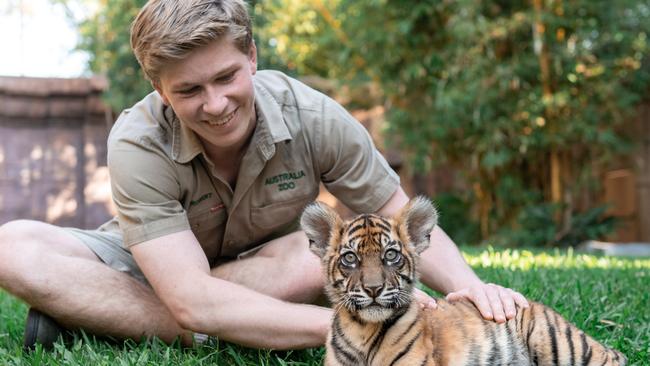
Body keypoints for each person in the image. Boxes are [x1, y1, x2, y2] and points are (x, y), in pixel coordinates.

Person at [0, 0, 528, 350]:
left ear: (250, 57)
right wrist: (350, 329)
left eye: (226, 76)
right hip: (152, 265)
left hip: (266, 267)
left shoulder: (315, 116)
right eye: (188, 91)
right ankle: (215, 324)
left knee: (311, 254)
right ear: (160, 91)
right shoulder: (137, 141)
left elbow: (398, 214)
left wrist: (473, 288)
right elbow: (188, 297)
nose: (215, 105)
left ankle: (98, 317)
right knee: (13, 247)